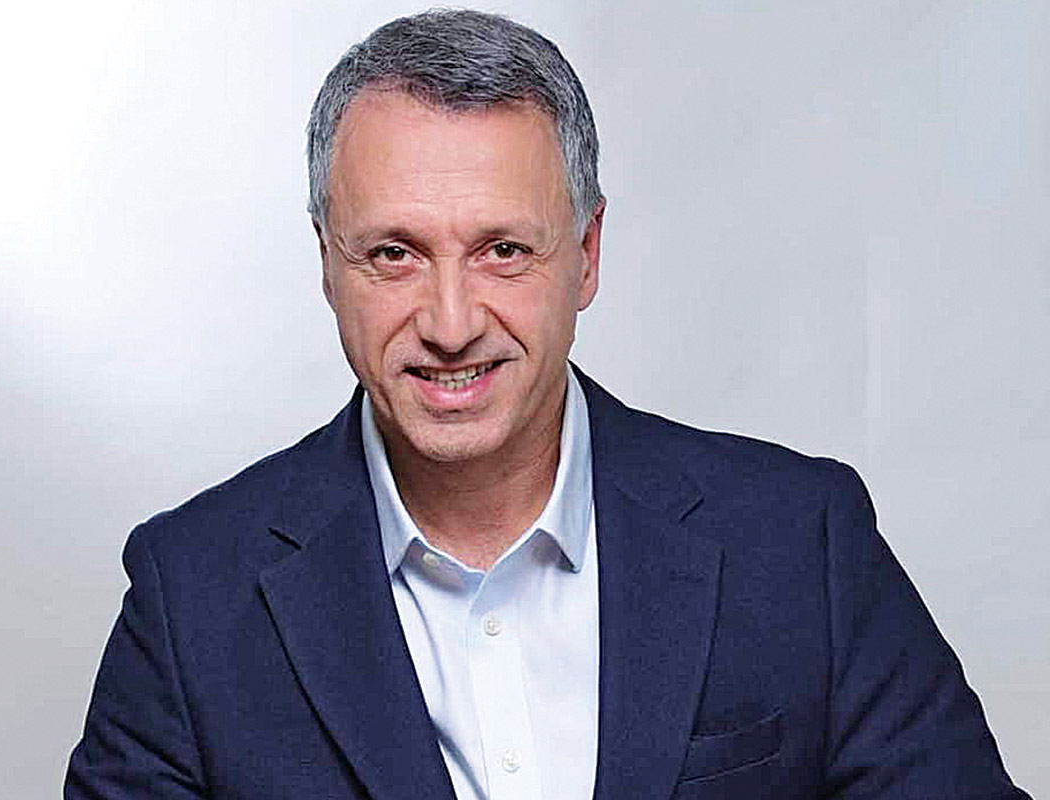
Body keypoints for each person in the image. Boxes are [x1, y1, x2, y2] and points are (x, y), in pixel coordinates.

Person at [65, 10, 1029, 799]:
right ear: (328, 264)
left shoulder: (799, 541)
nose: (450, 323)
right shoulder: (190, 597)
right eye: (394, 254)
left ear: (587, 255)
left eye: (504, 251)